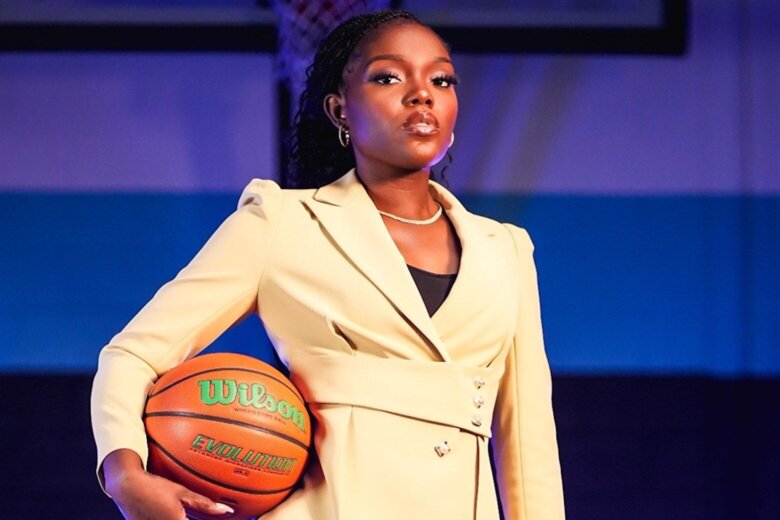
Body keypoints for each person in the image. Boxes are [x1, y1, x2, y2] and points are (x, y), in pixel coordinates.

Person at [91, 9, 565, 520]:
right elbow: (131, 354)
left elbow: (529, 449)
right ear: (340, 110)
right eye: (388, 76)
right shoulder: (282, 224)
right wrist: (124, 475)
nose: (422, 93)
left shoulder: (506, 249)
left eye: (441, 79)